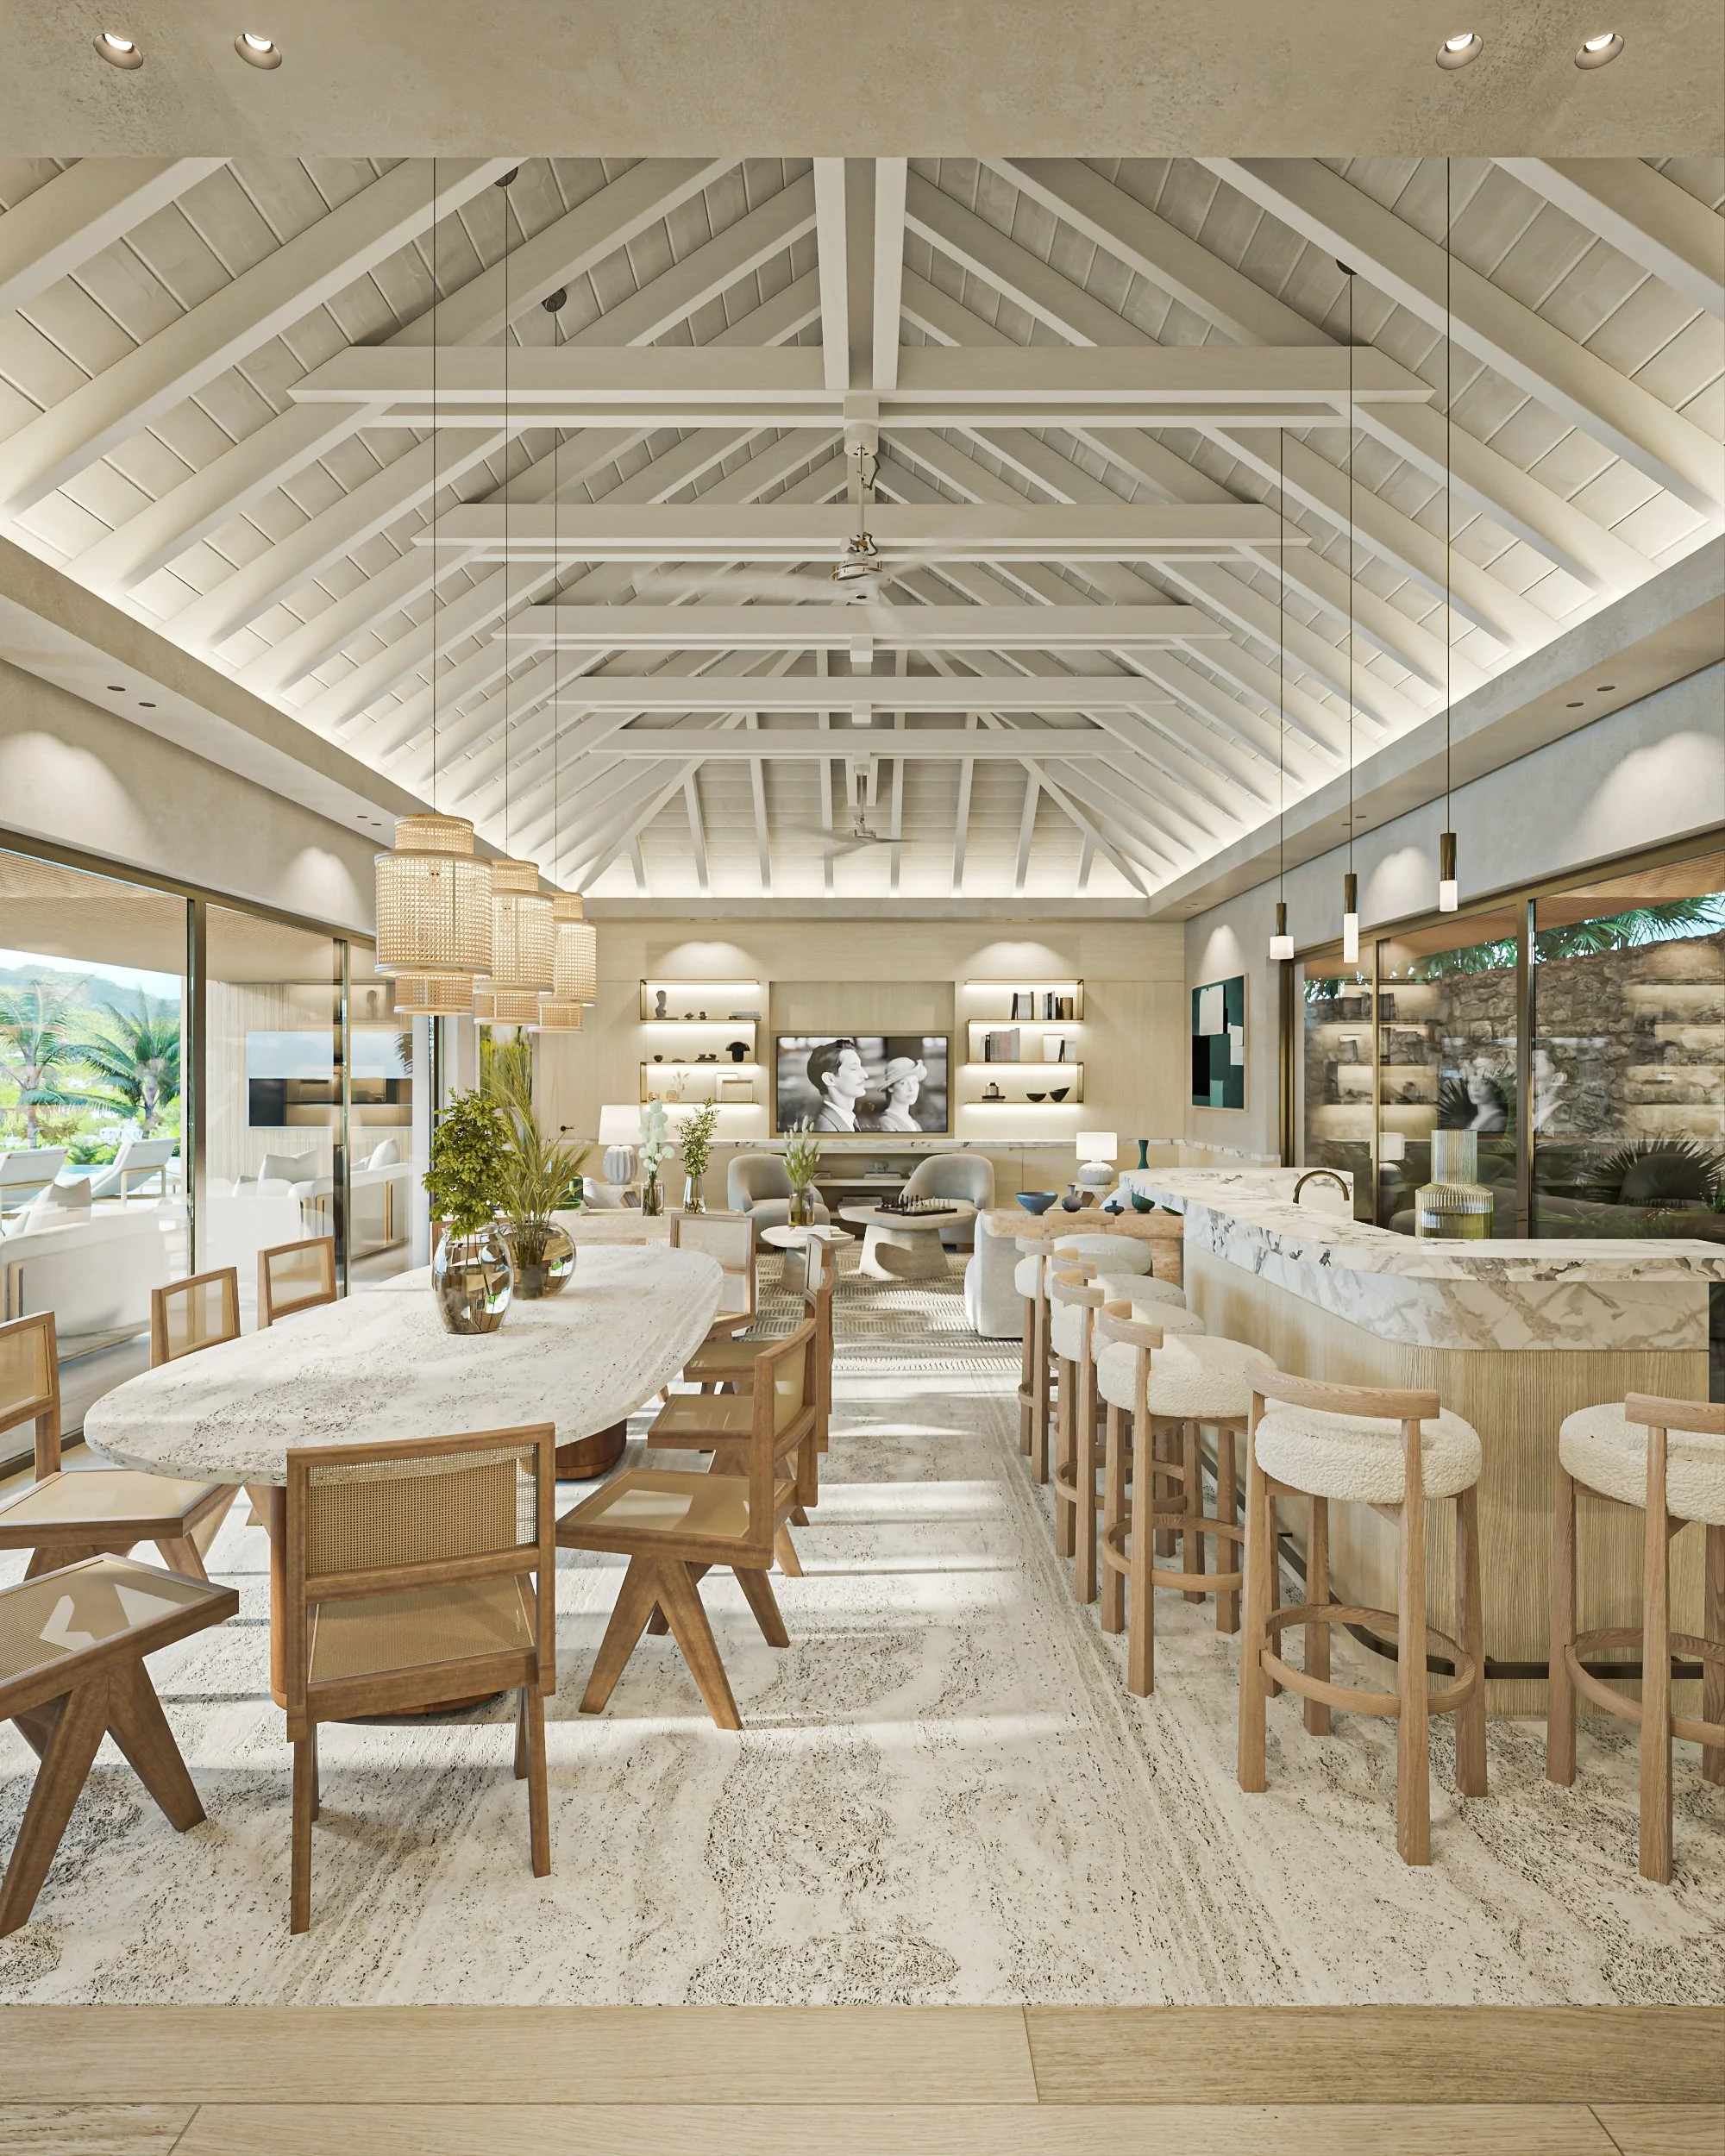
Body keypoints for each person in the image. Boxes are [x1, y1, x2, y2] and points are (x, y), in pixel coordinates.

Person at [806, 1038, 868, 1131]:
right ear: (829, 1079)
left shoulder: (846, 1119)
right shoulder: (825, 1130)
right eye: (854, 1068)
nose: (865, 1075)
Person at [875, 1054, 928, 1132]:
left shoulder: (914, 1123)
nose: (911, 1088)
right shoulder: (886, 1124)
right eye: (903, 1083)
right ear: (890, 1088)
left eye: (914, 1082)